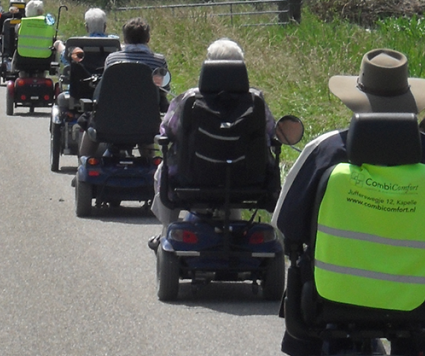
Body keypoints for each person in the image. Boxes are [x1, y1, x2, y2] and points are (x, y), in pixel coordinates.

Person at [271, 48, 425, 356]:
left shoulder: (325, 150)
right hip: (416, 303)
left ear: (356, 98)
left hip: (329, 302)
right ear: (410, 100)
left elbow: (287, 223)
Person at [149, 38, 276, 227]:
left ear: (208, 65)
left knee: (163, 170)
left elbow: (167, 130)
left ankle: (167, 229)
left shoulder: (188, 100)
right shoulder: (256, 102)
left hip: (193, 176)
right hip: (247, 179)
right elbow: (270, 132)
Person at [77, 17, 169, 158]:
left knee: (90, 123)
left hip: (110, 122)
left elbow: (104, 91)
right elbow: (164, 90)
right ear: (148, 39)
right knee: (146, 133)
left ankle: (84, 161)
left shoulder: (112, 59)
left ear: (125, 39)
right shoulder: (158, 61)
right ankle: (150, 163)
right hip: (145, 123)